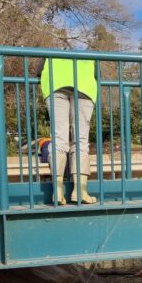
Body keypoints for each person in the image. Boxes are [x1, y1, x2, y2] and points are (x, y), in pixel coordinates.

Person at [39, 55, 97, 205]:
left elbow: (39, 73)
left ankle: (57, 192)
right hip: (84, 86)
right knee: (81, 139)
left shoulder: (51, 57)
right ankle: (80, 191)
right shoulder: (88, 58)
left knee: (59, 138)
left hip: (56, 86)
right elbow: (96, 76)